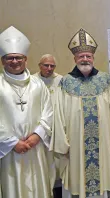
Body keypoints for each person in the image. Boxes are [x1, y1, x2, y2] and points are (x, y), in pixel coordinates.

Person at [50, 28, 110, 198]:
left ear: (93, 58)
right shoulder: (65, 83)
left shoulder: (106, 80)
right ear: (75, 58)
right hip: (75, 144)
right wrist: (63, 143)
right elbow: (58, 115)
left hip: (102, 143)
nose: (85, 59)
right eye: (81, 56)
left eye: (88, 56)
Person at [0, 26, 54, 198]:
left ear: (25, 59)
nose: (14, 61)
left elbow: (49, 112)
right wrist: (12, 142)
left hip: (35, 149)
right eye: (10, 58)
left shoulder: (38, 85)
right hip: (8, 152)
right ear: (3, 61)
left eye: (18, 58)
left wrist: (37, 136)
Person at [33, 54, 63, 197]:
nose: (49, 69)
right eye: (46, 65)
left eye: (52, 66)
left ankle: (57, 190)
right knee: (44, 163)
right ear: (40, 65)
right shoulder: (32, 81)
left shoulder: (61, 80)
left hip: (58, 127)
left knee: (57, 163)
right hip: (41, 129)